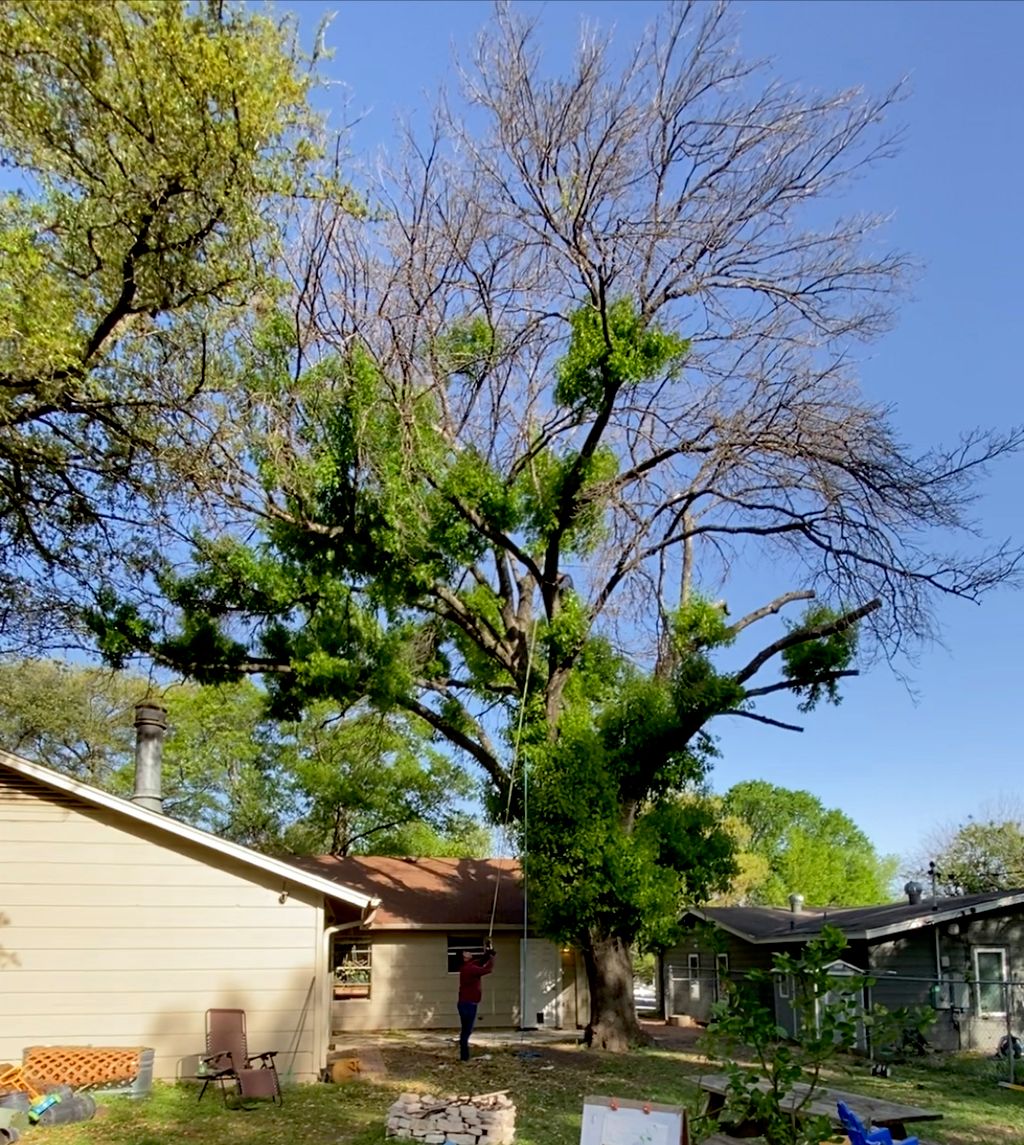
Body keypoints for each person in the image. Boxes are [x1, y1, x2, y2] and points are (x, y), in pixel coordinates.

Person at [457, 940, 495, 1061]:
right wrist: (492, 958)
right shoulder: (469, 969)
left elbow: (481, 961)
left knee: (466, 1030)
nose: (469, 952)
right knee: (467, 1031)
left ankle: (464, 1056)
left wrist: (488, 953)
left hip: (466, 1003)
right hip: (468, 1004)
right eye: (466, 953)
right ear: (464, 958)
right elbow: (487, 969)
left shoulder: (469, 966)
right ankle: (464, 1057)